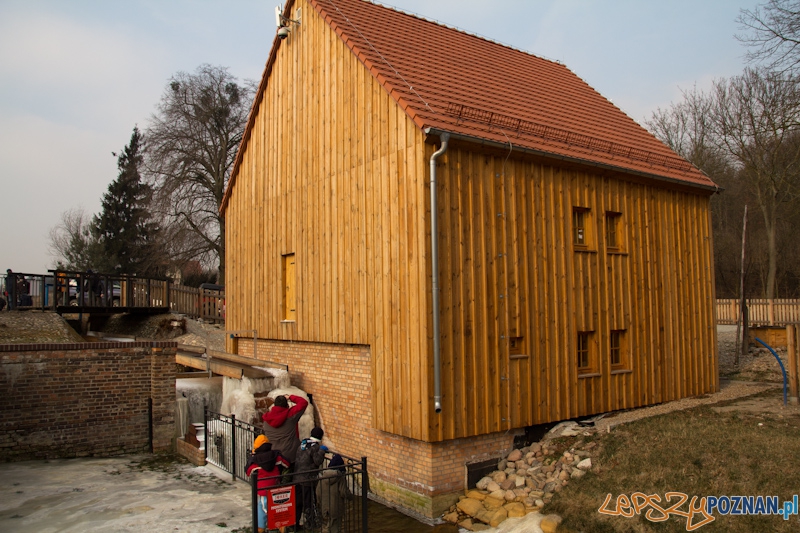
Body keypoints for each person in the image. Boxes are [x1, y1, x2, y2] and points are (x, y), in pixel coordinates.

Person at [245, 434, 289, 533]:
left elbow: (248, 472)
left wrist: (252, 457)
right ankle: (269, 526)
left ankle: (269, 527)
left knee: (264, 508)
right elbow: (287, 463)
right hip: (275, 487)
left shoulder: (255, 460)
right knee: (272, 507)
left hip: (262, 490)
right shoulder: (276, 456)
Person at [261, 393, 308, 470]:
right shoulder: (291, 416)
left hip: (274, 455)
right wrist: (290, 397)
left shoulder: (266, 419)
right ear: (286, 405)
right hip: (290, 456)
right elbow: (303, 403)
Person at [295, 427, 327, 528]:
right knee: (308, 502)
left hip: (296, 478)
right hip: (307, 479)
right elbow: (317, 461)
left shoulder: (302, 444)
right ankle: (310, 524)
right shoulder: (315, 447)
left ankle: (295, 524)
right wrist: (322, 451)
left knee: (298, 502)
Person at [316, 454, 352, 533]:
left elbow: (318, 492)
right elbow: (344, 492)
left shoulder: (323, 477)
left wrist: (320, 503)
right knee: (335, 528)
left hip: (325, 508)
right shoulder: (340, 478)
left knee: (326, 526)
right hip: (336, 508)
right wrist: (350, 497)